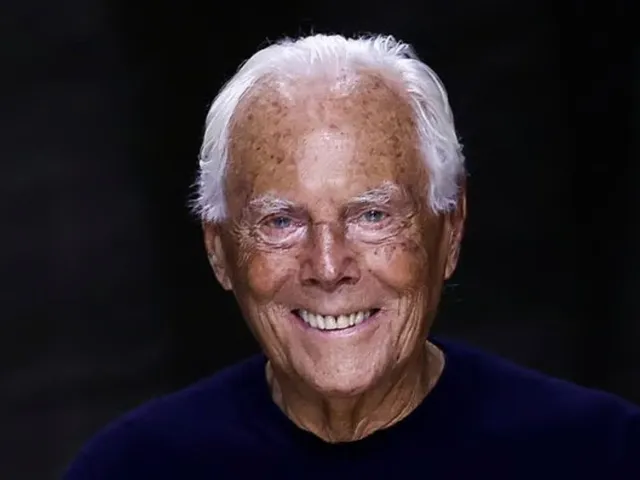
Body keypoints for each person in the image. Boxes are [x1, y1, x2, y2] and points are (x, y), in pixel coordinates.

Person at [64, 33, 640, 479]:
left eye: (372, 216)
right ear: (219, 251)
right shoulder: (132, 467)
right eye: (281, 221)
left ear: (451, 228)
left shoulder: (603, 454)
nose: (328, 266)